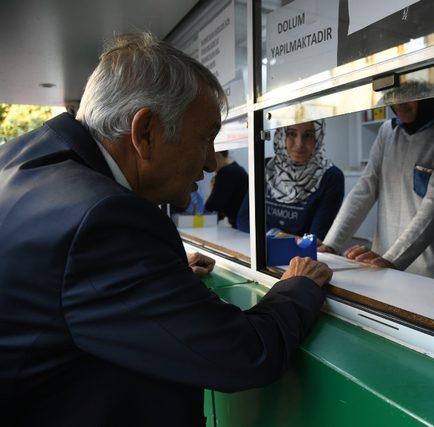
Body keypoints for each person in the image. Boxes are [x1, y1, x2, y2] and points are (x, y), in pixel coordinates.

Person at [0, 32, 332, 426]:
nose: (211, 163)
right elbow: (244, 354)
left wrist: (152, 279)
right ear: (146, 133)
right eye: (206, 138)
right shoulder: (104, 222)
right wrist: (298, 287)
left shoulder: (25, 158)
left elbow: (66, 288)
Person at [320, 81, 434, 279]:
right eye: (394, 96)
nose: (399, 103)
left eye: (408, 95)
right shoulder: (387, 131)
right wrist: (331, 244)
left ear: (432, 94)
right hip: (379, 259)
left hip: (428, 268)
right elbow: (364, 189)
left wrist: (393, 259)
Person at [237, 120, 344, 239]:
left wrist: (274, 236)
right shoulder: (266, 167)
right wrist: (280, 236)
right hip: (262, 251)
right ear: (281, 135)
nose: (299, 144)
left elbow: (316, 238)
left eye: (308, 135)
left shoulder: (331, 176)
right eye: (292, 134)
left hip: (302, 256)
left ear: (318, 138)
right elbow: (243, 220)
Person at [204, 150, 248, 228]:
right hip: (242, 224)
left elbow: (212, 206)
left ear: (218, 155)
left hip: (237, 225)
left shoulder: (225, 172)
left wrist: (212, 189)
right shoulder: (237, 169)